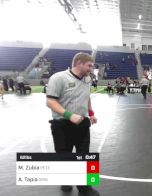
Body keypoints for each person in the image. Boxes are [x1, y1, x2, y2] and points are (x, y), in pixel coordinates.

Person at [46, 52, 99, 196]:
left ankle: (85, 188)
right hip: (62, 126)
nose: (91, 68)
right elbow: (50, 102)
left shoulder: (87, 80)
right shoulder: (58, 78)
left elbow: (87, 97)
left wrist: (91, 113)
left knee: (85, 156)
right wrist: (69, 115)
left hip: (82, 124)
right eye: (89, 65)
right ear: (79, 63)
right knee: (64, 155)